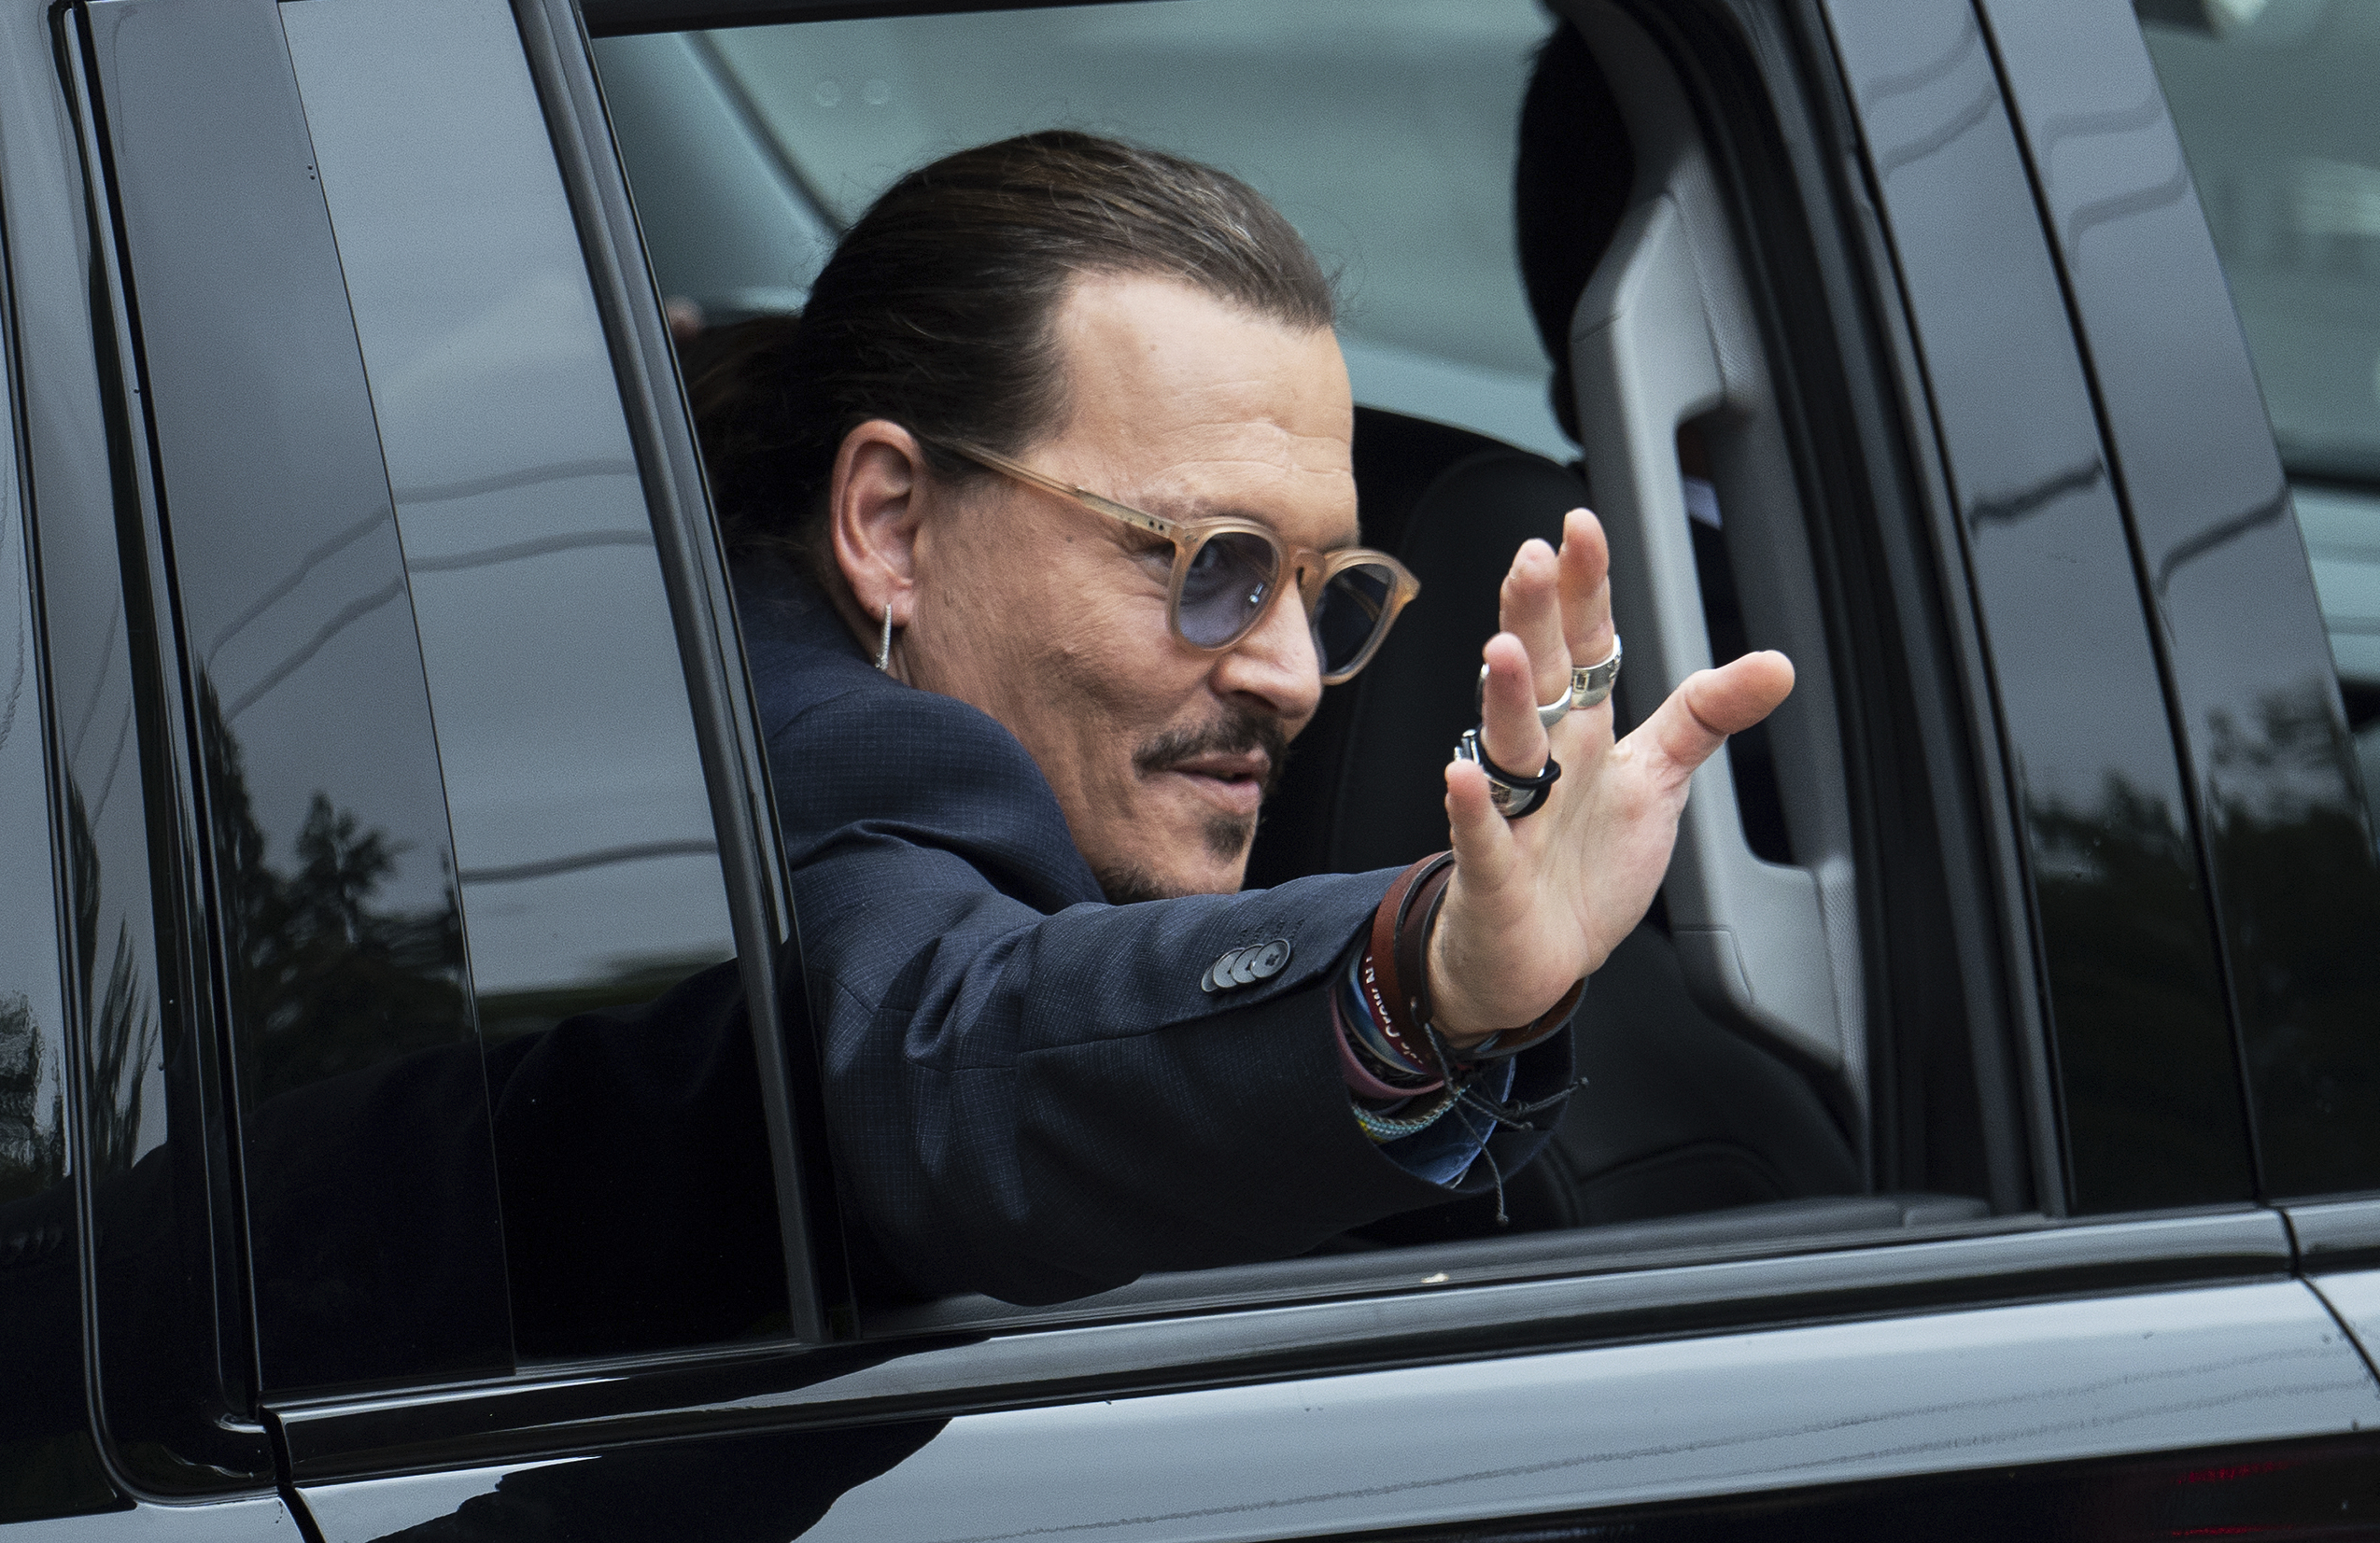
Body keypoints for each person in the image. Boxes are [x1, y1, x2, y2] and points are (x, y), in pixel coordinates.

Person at [684, 130, 1794, 1305]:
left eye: (1327, 591)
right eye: (1214, 565)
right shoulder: (810, 749)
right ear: (893, 526)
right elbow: (933, 1058)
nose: (1295, 677)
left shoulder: (711, 651)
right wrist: (1416, 979)